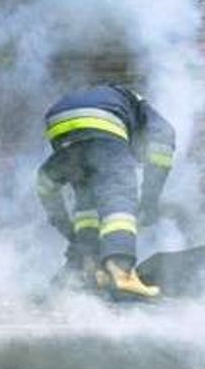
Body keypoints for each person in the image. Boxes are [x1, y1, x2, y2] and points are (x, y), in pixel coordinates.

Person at [36, 84, 175, 301]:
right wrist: (149, 200)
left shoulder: (112, 100)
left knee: (86, 203)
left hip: (59, 128)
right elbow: (163, 146)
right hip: (103, 130)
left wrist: (72, 235)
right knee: (119, 199)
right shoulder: (142, 109)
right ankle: (122, 273)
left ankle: (87, 268)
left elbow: (45, 186)